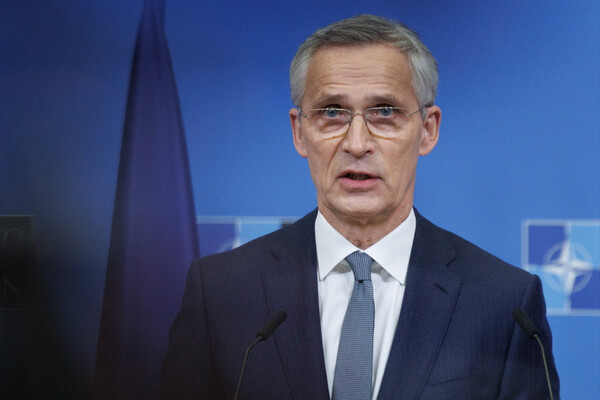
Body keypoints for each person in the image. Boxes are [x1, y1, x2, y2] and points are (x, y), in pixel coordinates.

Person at [159, 14, 560, 399]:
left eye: (384, 112)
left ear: (427, 130)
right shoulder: (221, 291)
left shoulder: (503, 303)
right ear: (299, 132)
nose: (356, 143)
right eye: (332, 112)